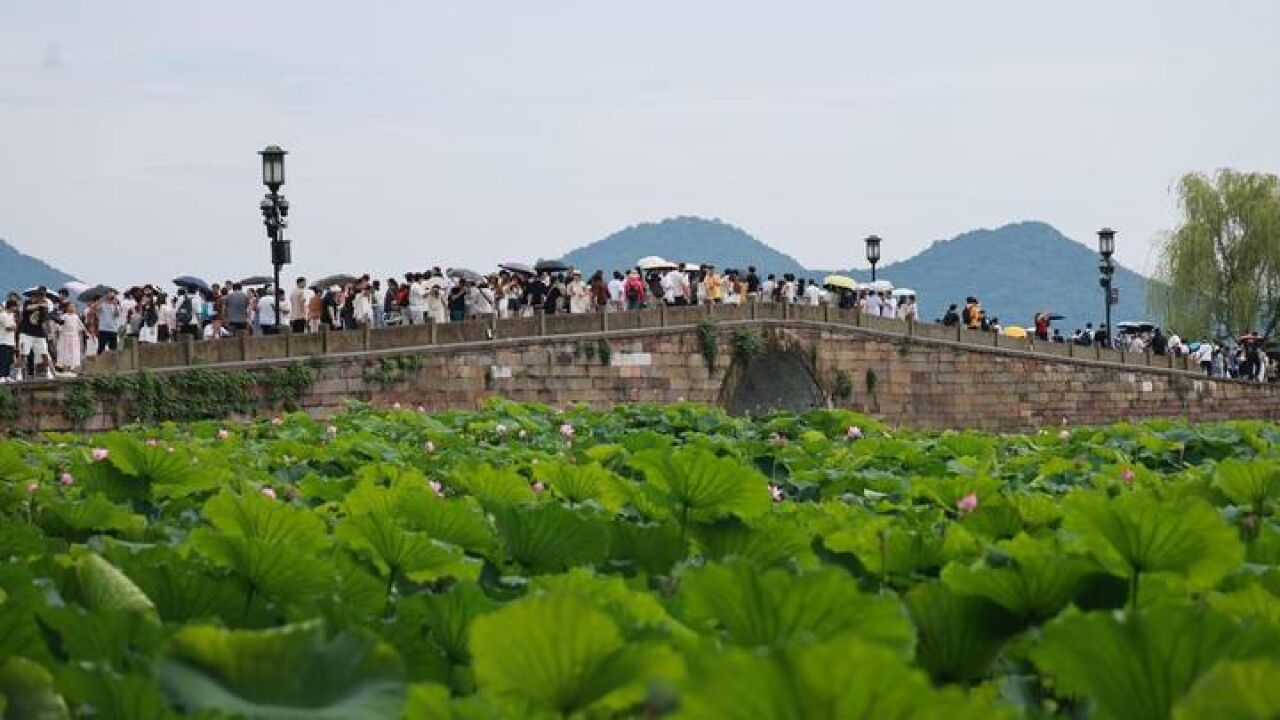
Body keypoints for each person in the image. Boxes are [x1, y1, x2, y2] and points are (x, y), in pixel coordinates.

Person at [17, 292, 54, 380]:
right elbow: (27, 309)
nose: (41, 298)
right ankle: (18, 373)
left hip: (39, 333)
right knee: (23, 353)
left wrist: (44, 308)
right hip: (26, 332)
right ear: (36, 296)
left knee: (44, 353)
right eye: (39, 296)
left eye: (43, 297)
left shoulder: (45, 306)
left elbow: (44, 318)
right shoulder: (28, 302)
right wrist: (39, 305)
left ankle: (48, 371)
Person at [54, 302, 84, 374]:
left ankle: (72, 368)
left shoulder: (76, 317)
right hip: (65, 337)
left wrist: (87, 334)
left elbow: (81, 327)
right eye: (70, 307)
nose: (72, 308)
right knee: (64, 352)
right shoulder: (64, 316)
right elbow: (59, 327)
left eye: (73, 307)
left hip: (74, 337)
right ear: (66, 308)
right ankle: (63, 367)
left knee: (73, 352)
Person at [0, 299, 16, 383]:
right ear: (11, 306)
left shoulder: (12, 315)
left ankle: (7, 375)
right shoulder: (2, 315)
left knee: (9, 360)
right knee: (3, 359)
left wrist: (13, 327)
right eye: (15, 306)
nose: (16, 308)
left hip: (11, 341)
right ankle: (1, 376)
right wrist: (13, 327)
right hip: (3, 341)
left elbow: (14, 326)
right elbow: (8, 327)